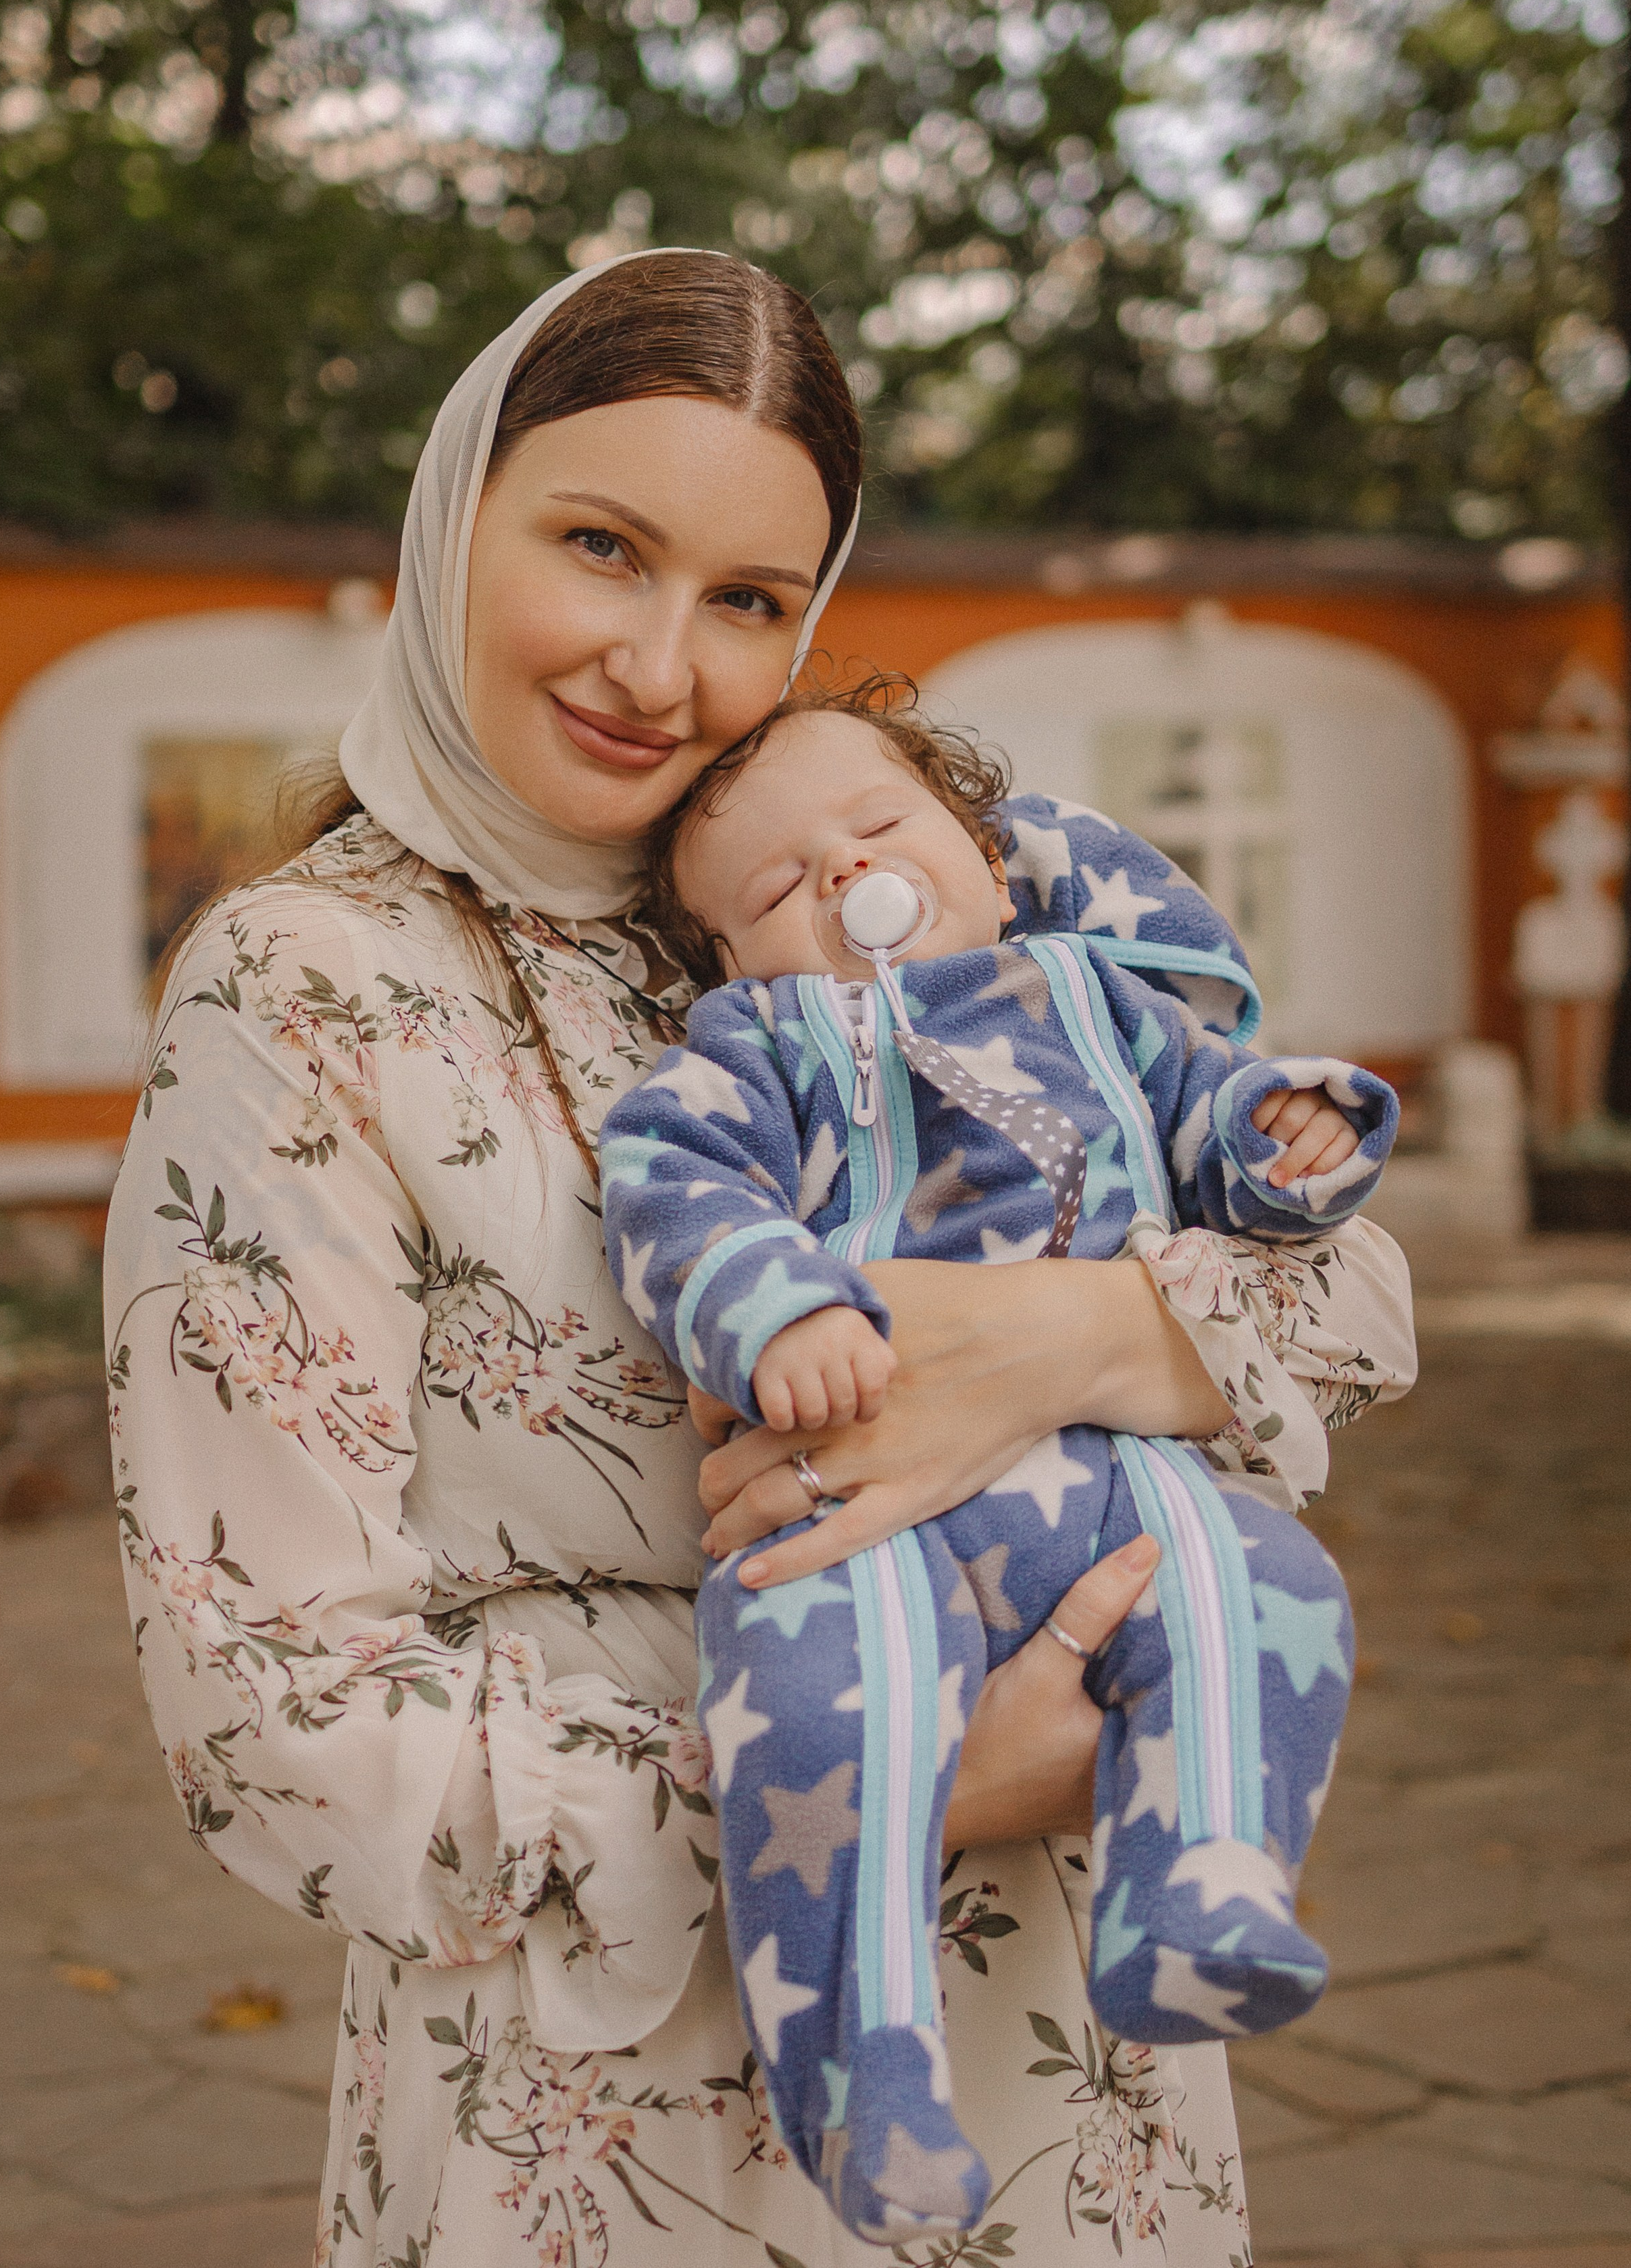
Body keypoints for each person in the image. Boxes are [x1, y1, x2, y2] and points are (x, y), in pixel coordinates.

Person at [103, 249, 1417, 2268]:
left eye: (746, 599)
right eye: (600, 546)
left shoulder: (910, 855)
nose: (659, 663)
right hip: (623, 2106)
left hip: (1084, 2064)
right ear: (457, 517)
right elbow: (274, 1711)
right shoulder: (310, 991)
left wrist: (1065, 1335)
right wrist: (889, 1776)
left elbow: (1349, 1288)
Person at [598, 679, 1395, 2244]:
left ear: (973, 841)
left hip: (1105, 1477)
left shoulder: (1099, 998)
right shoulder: (756, 1044)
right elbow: (672, 1190)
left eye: (877, 828)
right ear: (727, 954)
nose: (838, 874)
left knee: (1270, 1583)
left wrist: (1292, 1138)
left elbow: (1221, 1134)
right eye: (773, 886)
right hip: (862, 1525)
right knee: (826, 1724)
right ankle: (858, 2074)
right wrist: (776, 1307)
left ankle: (1204, 1884)